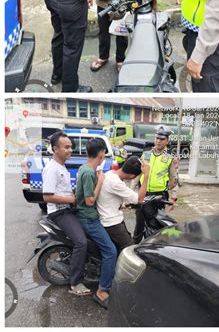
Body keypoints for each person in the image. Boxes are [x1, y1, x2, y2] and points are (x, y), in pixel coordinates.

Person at [41, 132, 91, 296]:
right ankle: (75, 283)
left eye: (71, 146)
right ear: (56, 149)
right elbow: (47, 196)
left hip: (68, 209)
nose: (70, 150)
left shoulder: (61, 165)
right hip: (60, 213)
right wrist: (71, 200)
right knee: (81, 242)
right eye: (67, 147)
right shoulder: (51, 169)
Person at [75, 138, 117, 309]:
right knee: (111, 251)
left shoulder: (84, 168)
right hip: (88, 218)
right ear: (100, 156)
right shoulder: (88, 173)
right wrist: (100, 181)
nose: (103, 158)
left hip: (88, 216)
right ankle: (102, 291)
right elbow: (90, 201)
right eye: (103, 156)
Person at [132, 125, 178, 243]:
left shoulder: (170, 158)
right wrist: (131, 192)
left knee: (156, 225)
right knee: (139, 225)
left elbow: (174, 179)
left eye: (162, 139)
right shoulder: (146, 154)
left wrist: (173, 197)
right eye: (157, 138)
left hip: (159, 197)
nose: (158, 141)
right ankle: (134, 247)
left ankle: (153, 248)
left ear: (167, 141)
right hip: (144, 193)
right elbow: (137, 175)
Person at [97, 155, 150, 252]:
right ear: (132, 176)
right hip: (111, 222)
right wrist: (146, 176)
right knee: (129, 250)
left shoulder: (110, 174)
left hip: (113, 218)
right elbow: (140, 199)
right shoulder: (116, 182)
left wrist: (123, 204)